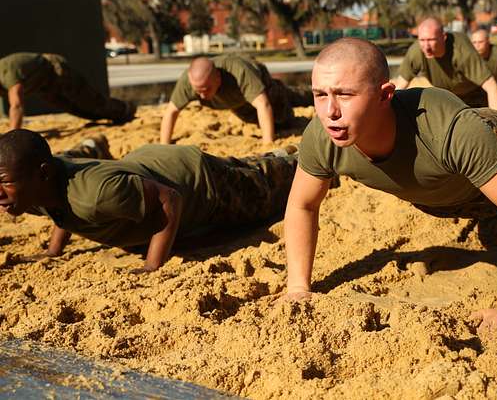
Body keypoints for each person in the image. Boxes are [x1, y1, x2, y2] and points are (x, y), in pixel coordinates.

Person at [283, 38, 497, 331]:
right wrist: (297, 287)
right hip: (444, 193)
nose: (330, 111)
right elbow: (302, 205)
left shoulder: (449, 130)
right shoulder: (321, 136)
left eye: (344, 95)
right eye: (319, 95)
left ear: (385, 95)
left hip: (495, 141)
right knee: (494, 231)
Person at [0, 129, 298, 271]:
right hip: (153, 164)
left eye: (5, 183)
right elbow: (59, 207)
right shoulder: (33, 192)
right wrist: (54, 250)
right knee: (247, 168)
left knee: (269, 187)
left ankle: (303, 156)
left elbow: (170, 199)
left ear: (42, 174)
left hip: (199, 183)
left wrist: (153, 264)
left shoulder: (96, 195)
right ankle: (279, 155)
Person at [161, 55, 313, 145]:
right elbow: (171, 112)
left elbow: (263, 104)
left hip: (262, 85)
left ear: (218, 78)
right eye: (197, 90)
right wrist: (164, 145)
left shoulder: (238, 71)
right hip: (238, 102)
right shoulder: (189, 82)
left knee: (285, 117)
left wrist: (268, 144)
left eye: (206, 89)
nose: (201, 96)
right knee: (262, 122)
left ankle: (313, 93)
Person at [392, 17, 497, 113]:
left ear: (443, 37)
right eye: (422, 40)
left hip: (477, 95)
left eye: (431, 40)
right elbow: (399, 88)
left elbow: (492, 88)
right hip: (449, 99)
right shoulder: (416, 52)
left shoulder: (461, 51)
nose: (426, 46)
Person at [0, 52, 135, 130]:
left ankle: (125, 109)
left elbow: (17, 106)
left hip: (55, 70)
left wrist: (13, 136)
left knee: (89, 102)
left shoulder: (7, 73)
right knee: (73, 108)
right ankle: (110, 116)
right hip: (43, 85)